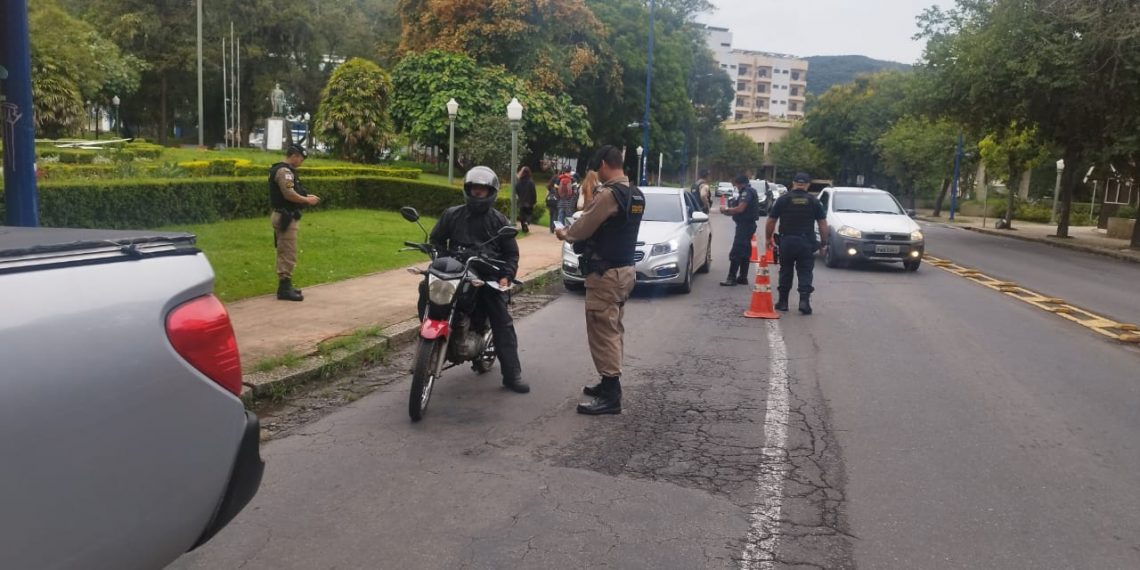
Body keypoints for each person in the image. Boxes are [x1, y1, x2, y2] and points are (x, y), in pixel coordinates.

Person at [555, 146, 644, 415]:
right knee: (613, 327)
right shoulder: (635, 193)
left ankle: (611, 394)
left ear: (605, 164)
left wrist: (565, 234)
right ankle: (607, 384)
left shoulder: (609, 194)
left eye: (598, 168)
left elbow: (584, 226)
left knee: (602, 330)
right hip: (624, 270)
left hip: (605, 274)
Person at [425, 166, 529, 393]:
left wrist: (506, 275)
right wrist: (437, 254)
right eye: (474, 189)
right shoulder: (452, 215)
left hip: (487, 275)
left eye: (482, 190)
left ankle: (512, 375)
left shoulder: (499, 221)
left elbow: (511, 254)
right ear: (467, 189)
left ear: (490, 192)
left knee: (501, 320)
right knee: (427, 287)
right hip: (456, 271)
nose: (477, 193)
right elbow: (436, 240)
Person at [765, 172, 829, 315]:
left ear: (793, 183)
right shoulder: (814, 201)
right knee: (805, 271)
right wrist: (824, 242)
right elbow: (823, 223)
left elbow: (771, 220)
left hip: (787, 241)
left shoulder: (783, 200)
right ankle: (804, 302)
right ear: (807, 185)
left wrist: (768, 238)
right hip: (806, 242)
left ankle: (783, 302)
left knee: (786, 270)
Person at [269, 144, 320, 301]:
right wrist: (307, 200)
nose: (301, 162)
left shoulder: (285, 171)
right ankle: (284, 288)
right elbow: (289, 194)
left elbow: (295, 190)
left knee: (287, 250)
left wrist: (307, 195)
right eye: (301, 159)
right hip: (285, 217)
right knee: (287, 251)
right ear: (295, 155)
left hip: (286, 215)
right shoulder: (284, 172)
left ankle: (287, 285)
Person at [718, 174, 761, 286]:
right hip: (748, 225)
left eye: (735, 185)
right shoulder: (750, 191)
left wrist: (726, 209)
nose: (735, 187)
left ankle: (731, 278)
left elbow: (741, 209)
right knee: (745, 251)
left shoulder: (747, 192)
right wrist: (728, 211)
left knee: (736, 252)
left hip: (745, 226)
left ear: (739, 184)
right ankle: (742, 277)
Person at [515, 166, 536, 233]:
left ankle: (524, 228)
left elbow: (517, 190)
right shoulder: (531, 182)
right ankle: (527, 222)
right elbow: (533, 192)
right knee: (529, 214)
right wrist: (534, 201)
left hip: (521, 201)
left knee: (522, 215)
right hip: (529, 202)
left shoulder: (519, 182)